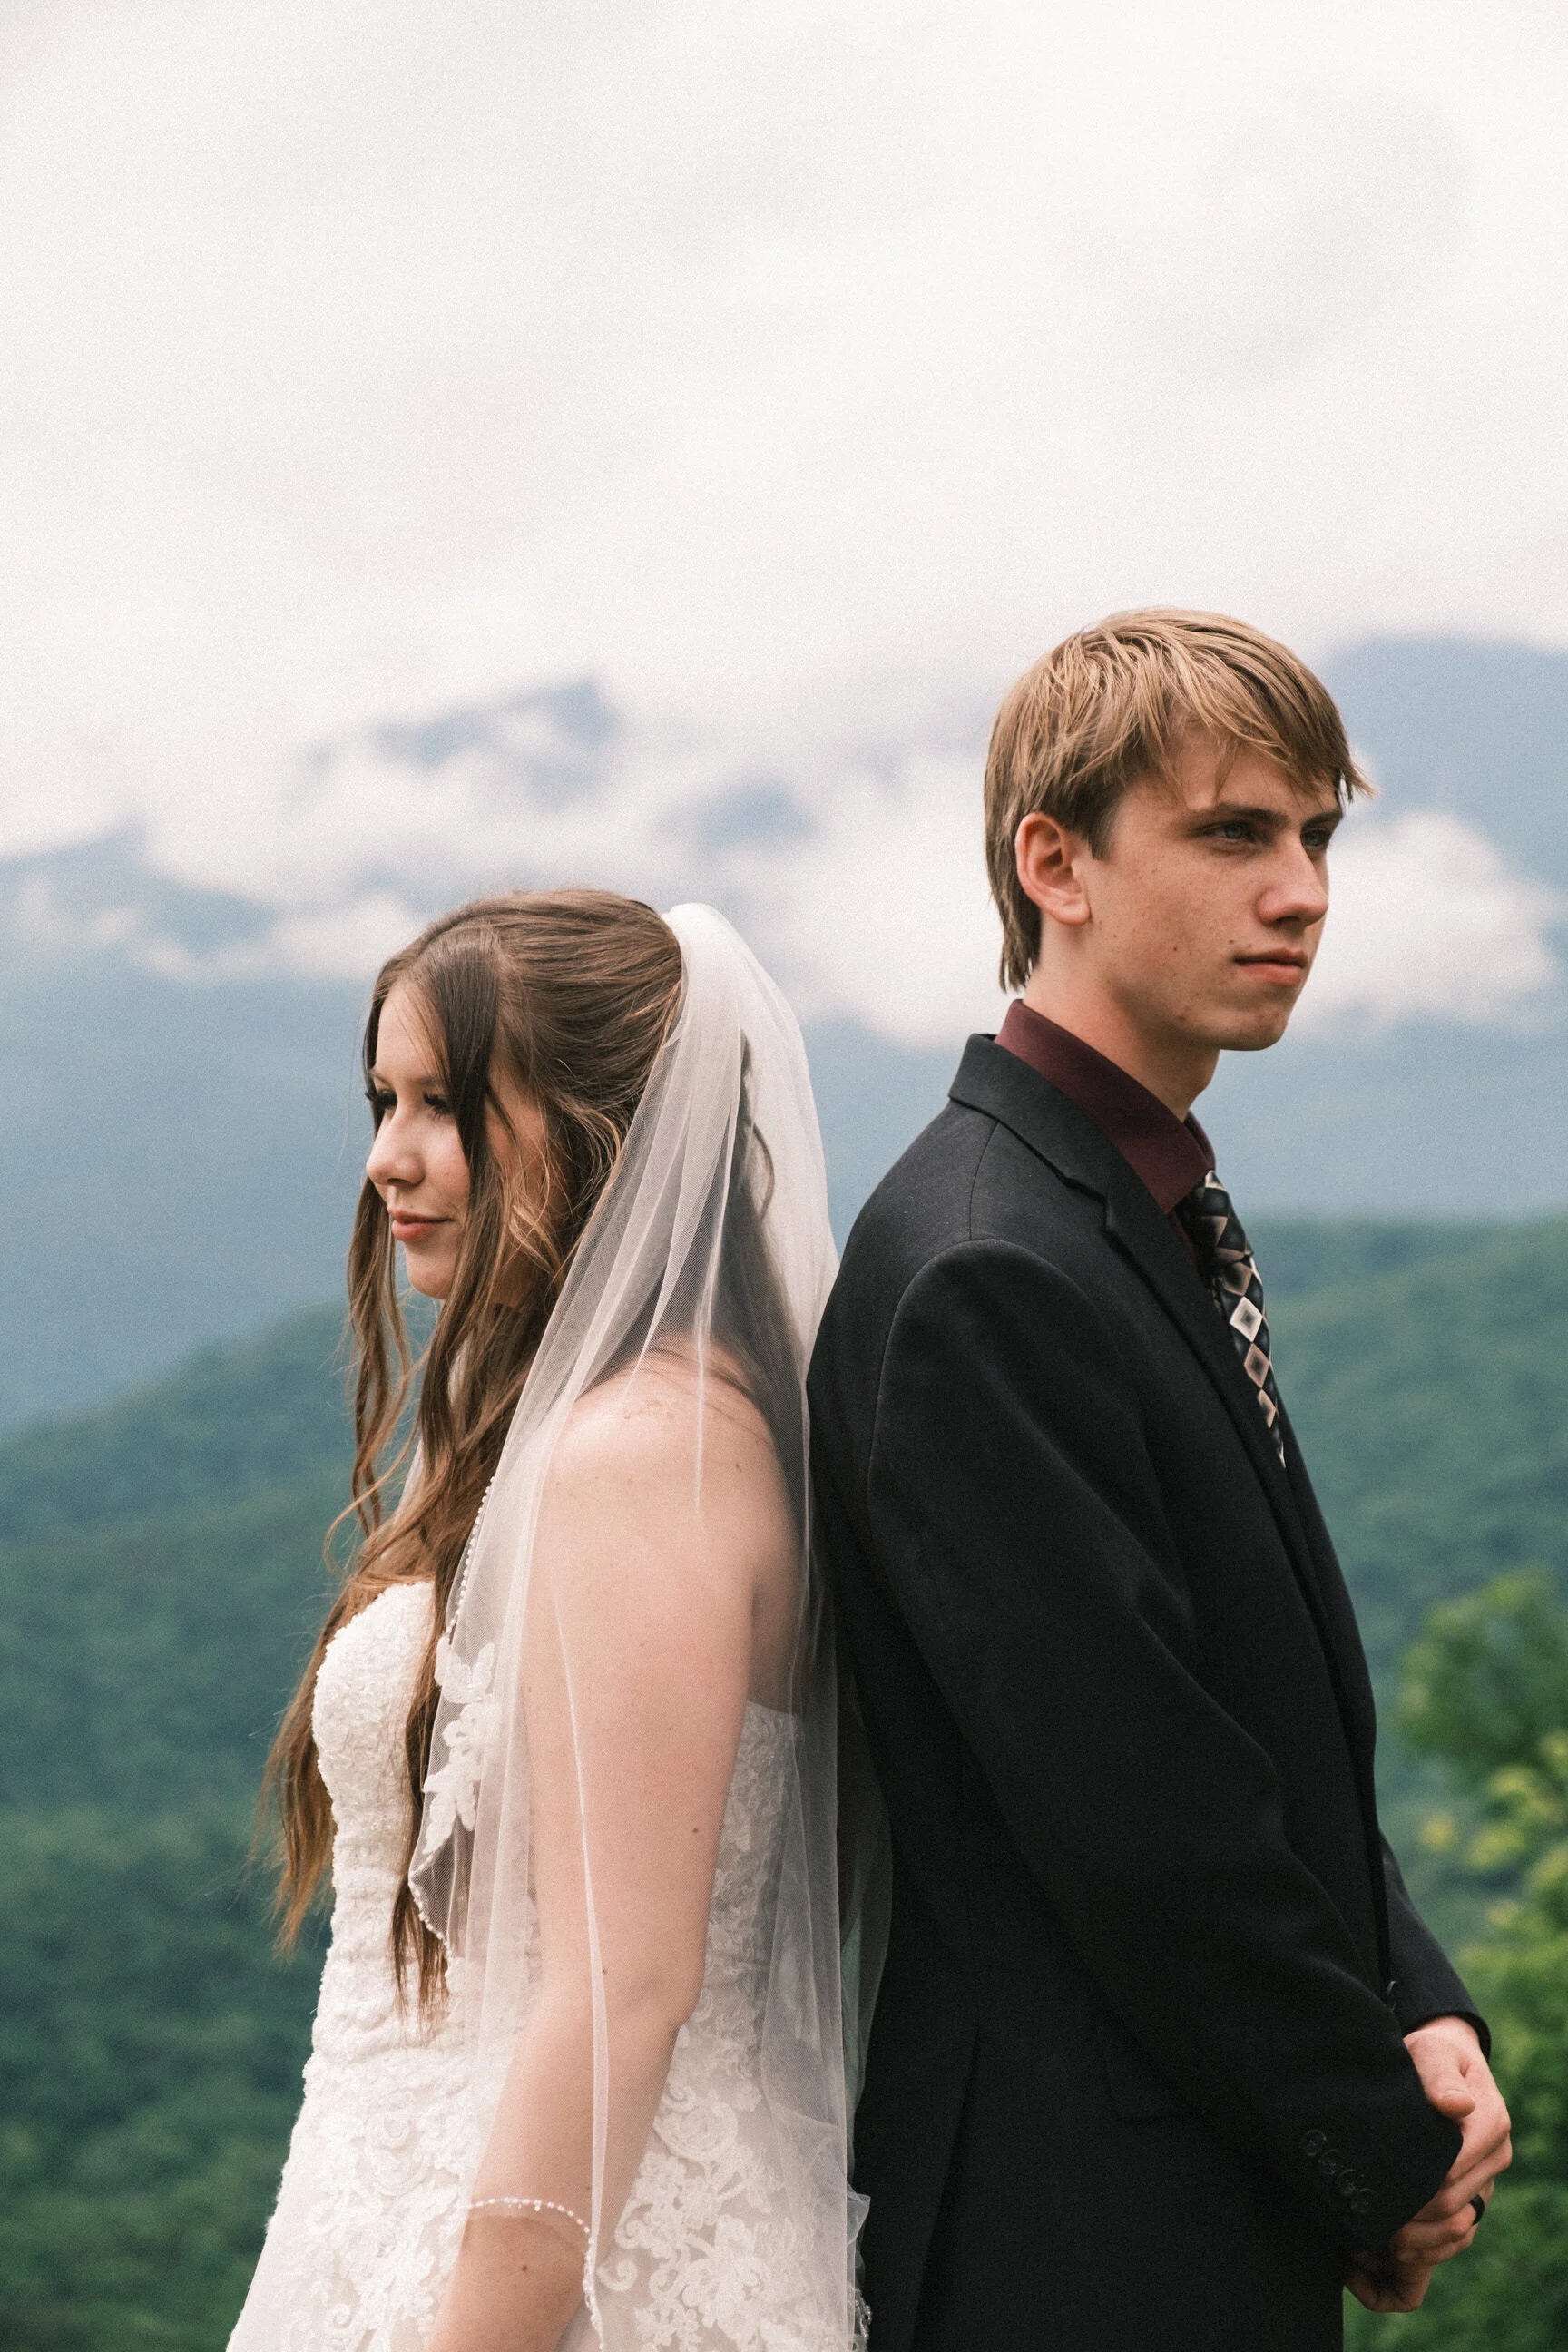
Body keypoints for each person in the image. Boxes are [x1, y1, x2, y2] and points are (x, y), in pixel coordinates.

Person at [808, 612, 1513, 2351]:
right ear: (1058, 862)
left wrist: (1418, 2001)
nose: (1304, 893)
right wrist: (1382, 2148)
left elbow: (1260, 1712)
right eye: (1232, 833)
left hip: (1175, 2186)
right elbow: (1146, 1816)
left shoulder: (1120, 1201)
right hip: (1075, 2242)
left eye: (1316, 836)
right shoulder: (989, 1264)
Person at [230, 890, 865, 2352]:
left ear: (600, 1133)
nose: (389, 1157)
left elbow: (626, 1984)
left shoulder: (641, 1449)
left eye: (446, 1106)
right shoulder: (623, 1423)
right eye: (384, 1099)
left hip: (568, 2267)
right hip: (396, 2205)